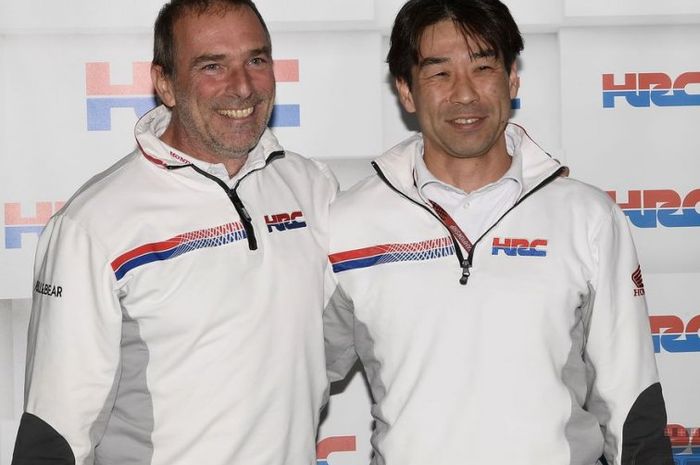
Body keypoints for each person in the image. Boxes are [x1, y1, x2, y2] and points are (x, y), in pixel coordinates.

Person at [323, 0, 673, 464]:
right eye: (439, 73)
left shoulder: (588, 217)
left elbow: (632, 405)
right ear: (406, 91)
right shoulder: (348, 222)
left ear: (511, 79)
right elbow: (292, 379)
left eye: (483, 67)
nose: (465, 94)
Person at [12, 1, 337, 464]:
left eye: (256, 59)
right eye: (212, 66)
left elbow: (336, 345)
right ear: (164, 83)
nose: (242, 86)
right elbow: (54, 434)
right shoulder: (92, 225)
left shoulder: (312, 187)